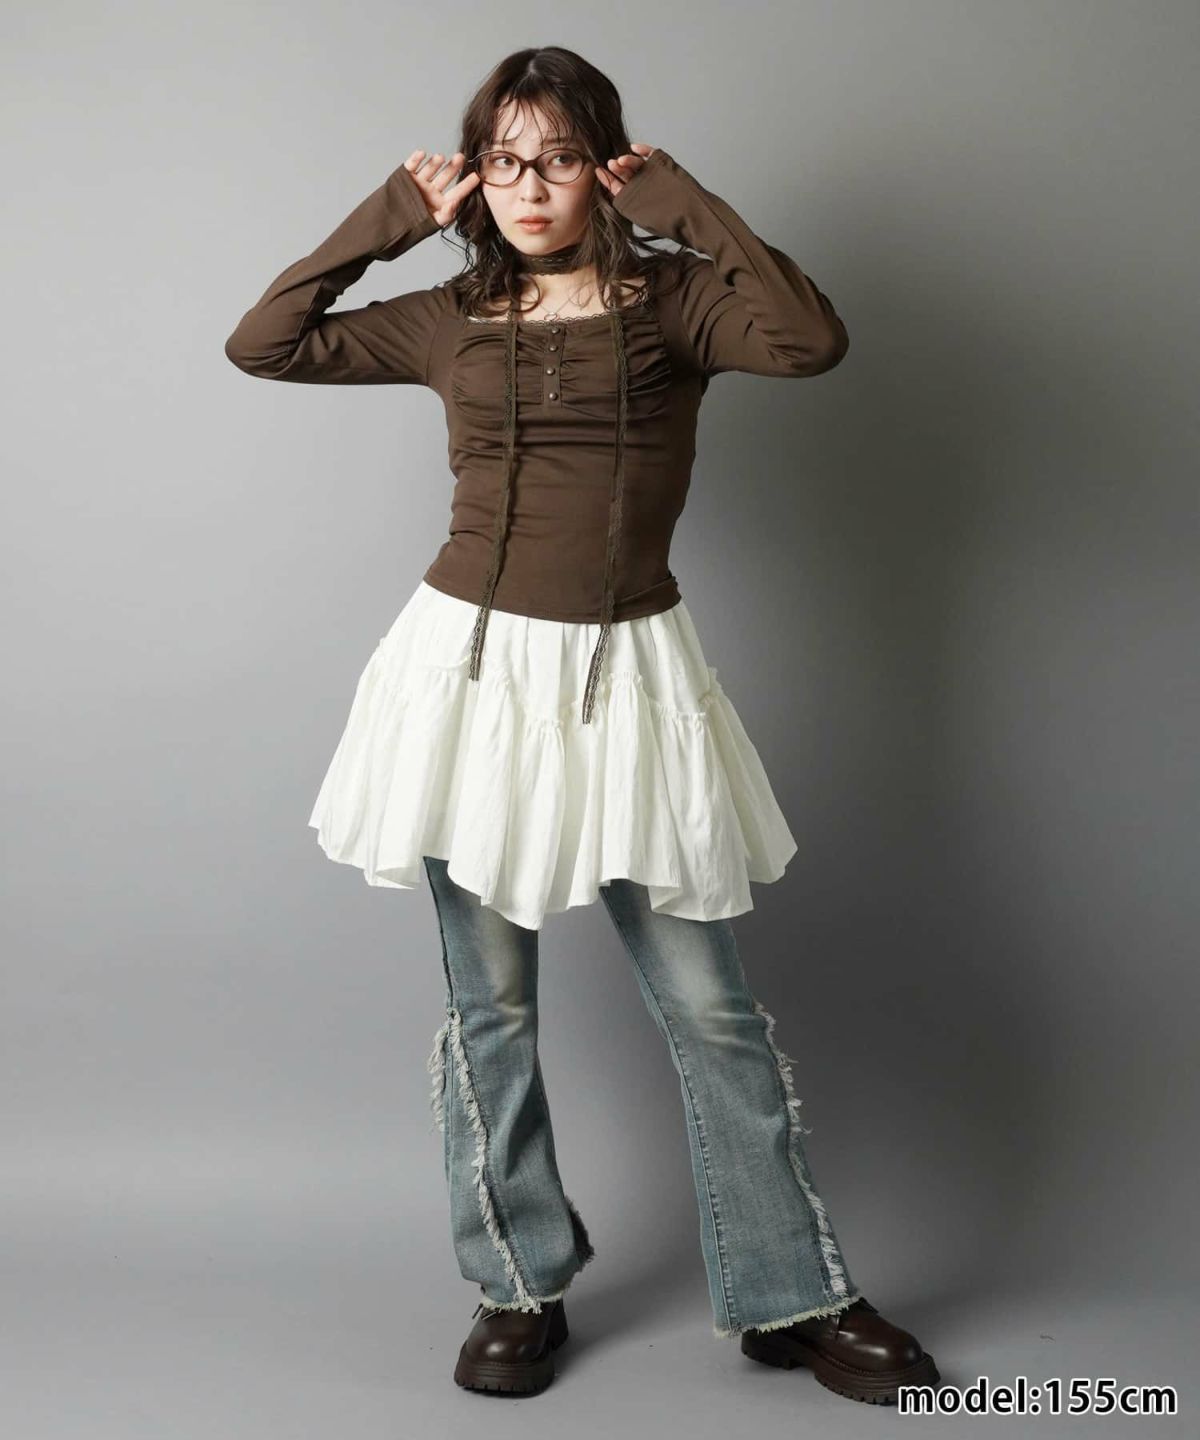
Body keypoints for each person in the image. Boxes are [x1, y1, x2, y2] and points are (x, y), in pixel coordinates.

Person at [224, 45, 939, 1405]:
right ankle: (516, 1282)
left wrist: (690, 207)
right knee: (489, 1009)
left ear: (605, 166)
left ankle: (788, 1295)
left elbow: (809, 339)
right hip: (468, 687)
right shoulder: (447, 317)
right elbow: (264, 342)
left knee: (712, 1011)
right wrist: (389, 218)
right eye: (502, 161)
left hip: (631, 681)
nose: (529, 187)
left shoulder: (676, 304)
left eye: (557, 158)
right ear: (476, 177)